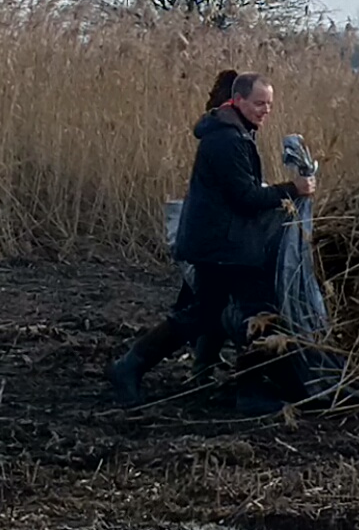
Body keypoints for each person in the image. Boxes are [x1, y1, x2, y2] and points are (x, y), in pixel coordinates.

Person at [108, 71, 316, 405]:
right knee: (258, 311)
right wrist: (293, 189)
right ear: (239, 100)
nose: (265, 110)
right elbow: (245, 197)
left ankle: (133, 365)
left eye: (269, 104)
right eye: (259, 103)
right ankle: (249, 392)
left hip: (220, 243)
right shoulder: (227, 141)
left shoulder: (233, 133)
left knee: (207, 311)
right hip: (224, 246)